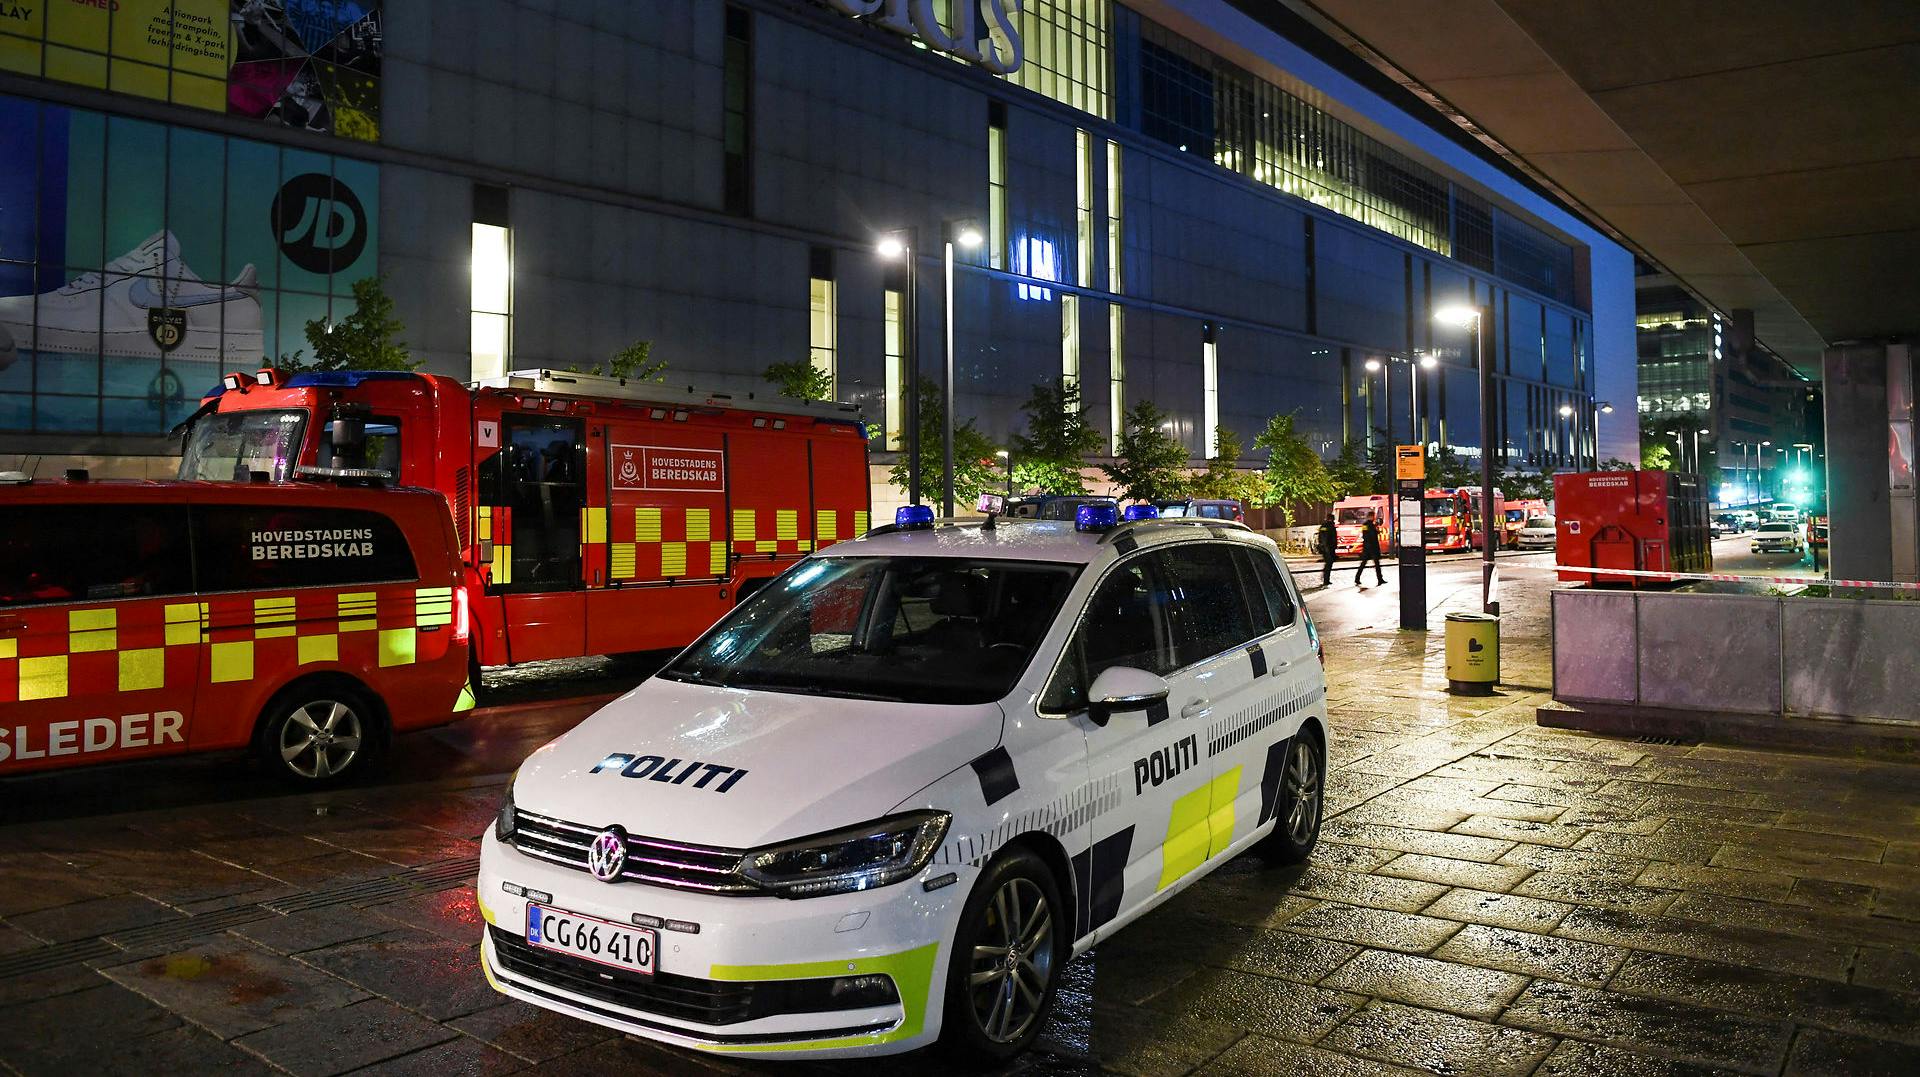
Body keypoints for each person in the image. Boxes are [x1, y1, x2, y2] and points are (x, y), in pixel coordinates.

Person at [1356, 513, 1386, 586]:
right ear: (1371, 517)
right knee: (1372, 564)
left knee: (1370, 564)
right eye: (1373, 516)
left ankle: (1380, 579)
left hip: (1369, 548)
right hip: (1371, 548)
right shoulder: (1366, 525)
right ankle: (1357, 578)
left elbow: (1370, 534)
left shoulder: (1369, 525)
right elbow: (1368, 535)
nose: (1374, 518)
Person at [1316, 514, 1338, 587]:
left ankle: (1326, 579)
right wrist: (1326, 548)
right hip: (1328, 549)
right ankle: (1326, 579)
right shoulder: (1328, 526)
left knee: (1329, 563)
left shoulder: (1325, 526)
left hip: (1328, 548)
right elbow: (1324, 538)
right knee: (1329, 563)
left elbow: (1321, 537)